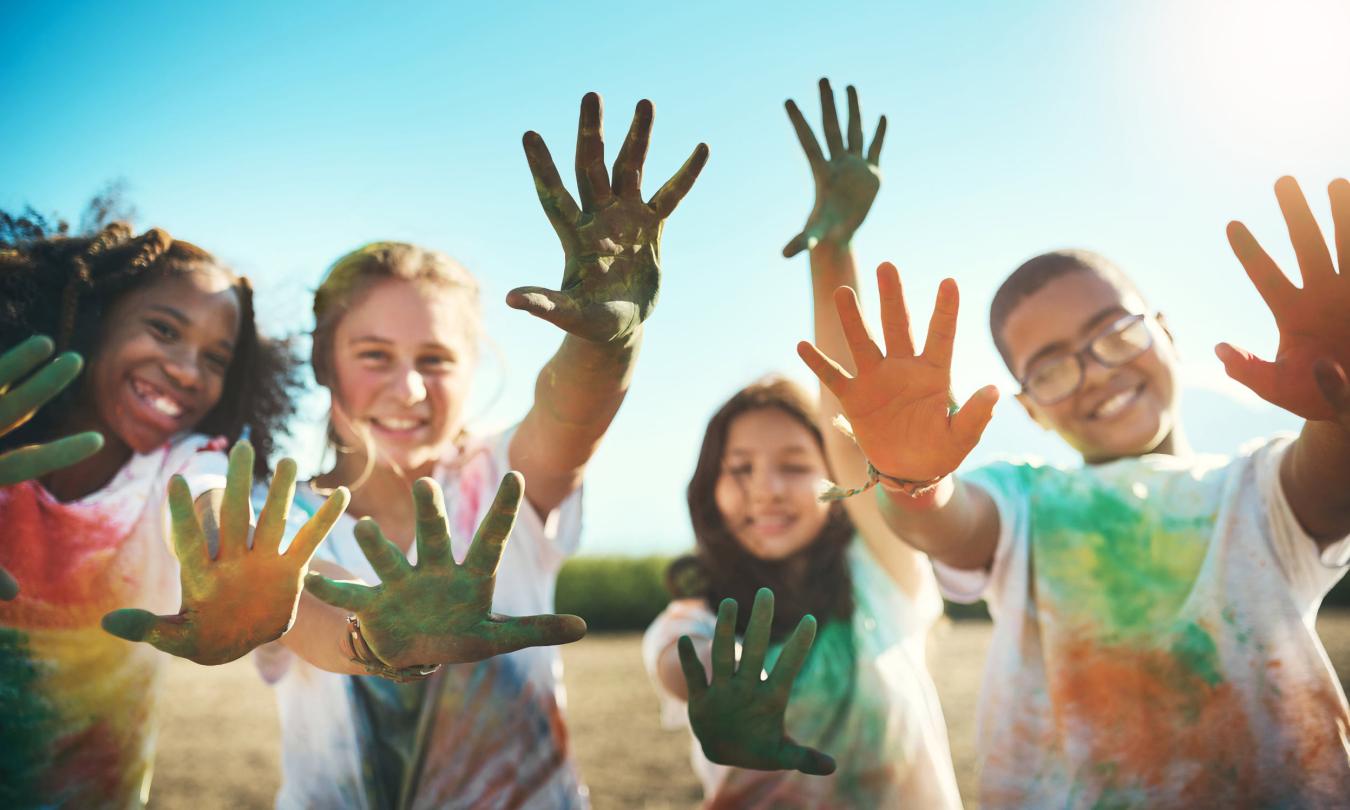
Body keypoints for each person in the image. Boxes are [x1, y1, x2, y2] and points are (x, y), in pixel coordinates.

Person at [798, 176, 1350, 806]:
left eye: (1117, 332)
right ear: (1031, 410)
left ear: (1166, 333)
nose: (1097, 373)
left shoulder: (1258, 490)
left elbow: (1332, 482)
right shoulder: (1025, 502)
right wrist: (912, 478)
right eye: (1053, 367)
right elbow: (945, 521)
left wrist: (1341, 405)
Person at [254, 91, 708, 808]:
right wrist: (379, 641)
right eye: (374, 354)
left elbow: (572, 410)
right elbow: (295, 611)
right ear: (322, 360)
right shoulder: (276, 512)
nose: (407, 388)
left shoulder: (501, 481)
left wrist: (609, 344)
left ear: (473, 369)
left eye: (435, 359)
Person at [643, 80, 963, 809]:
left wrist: (835, 253)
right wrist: (713, 687)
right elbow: (673, 663)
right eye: (741, 469)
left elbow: (851, 418)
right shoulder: (695, 611)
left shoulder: (884, 572)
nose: (767, 488)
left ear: (837, 482)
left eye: (795, 465)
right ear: (709, 489)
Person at [0, 220, 331, 807]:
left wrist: (229, 545)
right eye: (163, 330)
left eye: (215, 359)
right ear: (98, 321)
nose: (185, 370)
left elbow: (208, 492)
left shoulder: (182, 461)